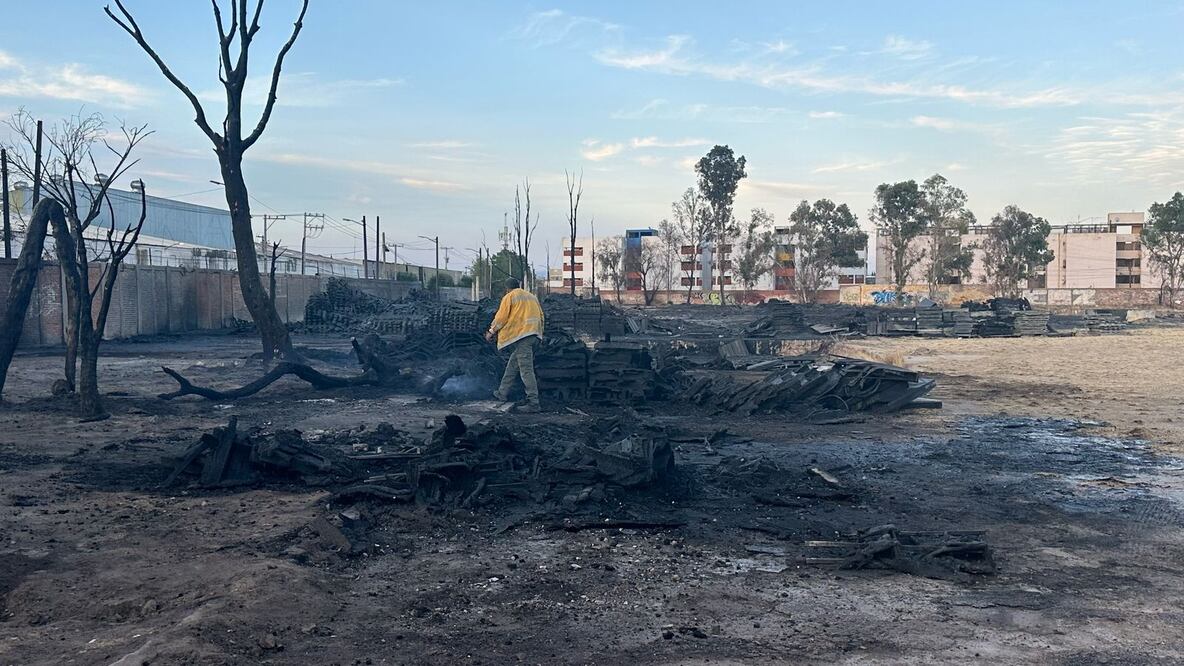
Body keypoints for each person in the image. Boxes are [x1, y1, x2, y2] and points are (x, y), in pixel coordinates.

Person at [485, 278, 544, 411]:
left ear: (507, 289)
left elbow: (501, 317)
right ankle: (502, 393)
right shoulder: (531, 297)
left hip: (523, 337)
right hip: (534, 335)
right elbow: (541, 316)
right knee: (512, 365)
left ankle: (533, 403)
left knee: (526, 370)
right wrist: (540, 335)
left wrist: (491, 331)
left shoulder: (510, 297)